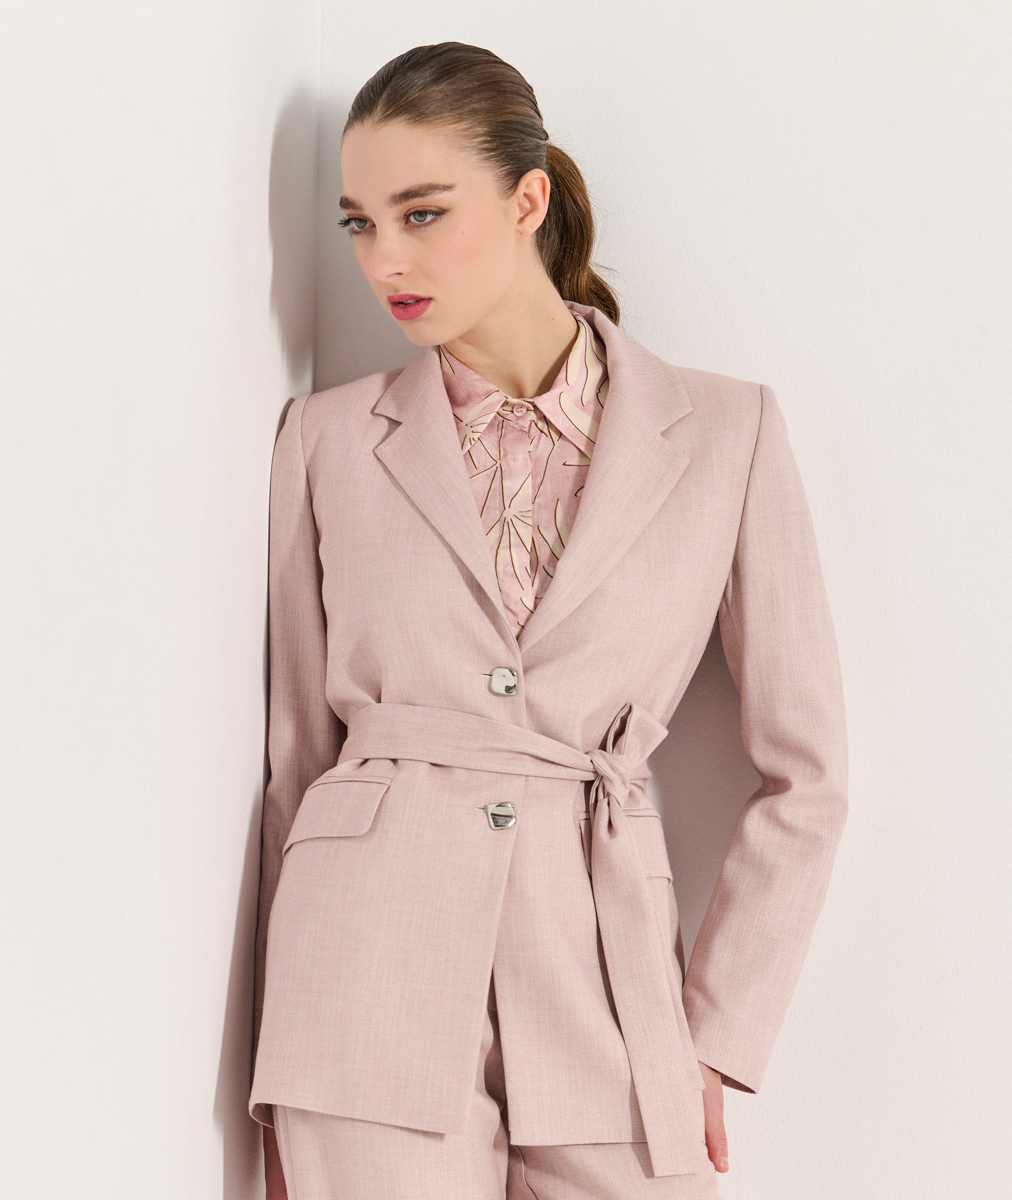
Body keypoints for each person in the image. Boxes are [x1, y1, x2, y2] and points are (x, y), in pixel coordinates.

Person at [248, 40, 848, 1200]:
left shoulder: (727, 433)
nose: (385, 258)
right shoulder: (325, 442)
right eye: (360, 224)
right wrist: (282, 1057)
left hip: (607, 978)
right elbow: (296, 764)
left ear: (528, 201)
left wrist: (716, 1034)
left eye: (422, 213)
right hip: (361, 985)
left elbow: (808, 774)